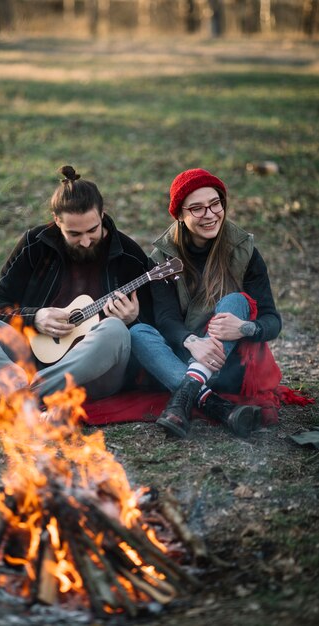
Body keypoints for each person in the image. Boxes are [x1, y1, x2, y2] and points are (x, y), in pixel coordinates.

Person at [0, 165, 154, 426]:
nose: (86, 241)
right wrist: (35, 317)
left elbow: (153, 330)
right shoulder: (36, 244)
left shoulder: (129, 255)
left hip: (91, 376)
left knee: (115, 329)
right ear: (57, 221)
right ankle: (27, 398)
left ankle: (21, 400)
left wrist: (134, 319)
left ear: (102, 214)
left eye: (92, 230)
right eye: (74, 234)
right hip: (34, 357)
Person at [130, 168, 282, 439]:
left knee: (235, 301)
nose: (210, 214)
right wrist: (191, 342)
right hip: (180, 358)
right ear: (180, 214)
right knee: (137, 333)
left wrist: (245, 328)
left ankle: (186, 396)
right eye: (197, 209)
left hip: (226, 362)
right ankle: (220, 407)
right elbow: (165, 319)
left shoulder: (244, 251)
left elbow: (272, 321)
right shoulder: (163, 257)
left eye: (215, 204)